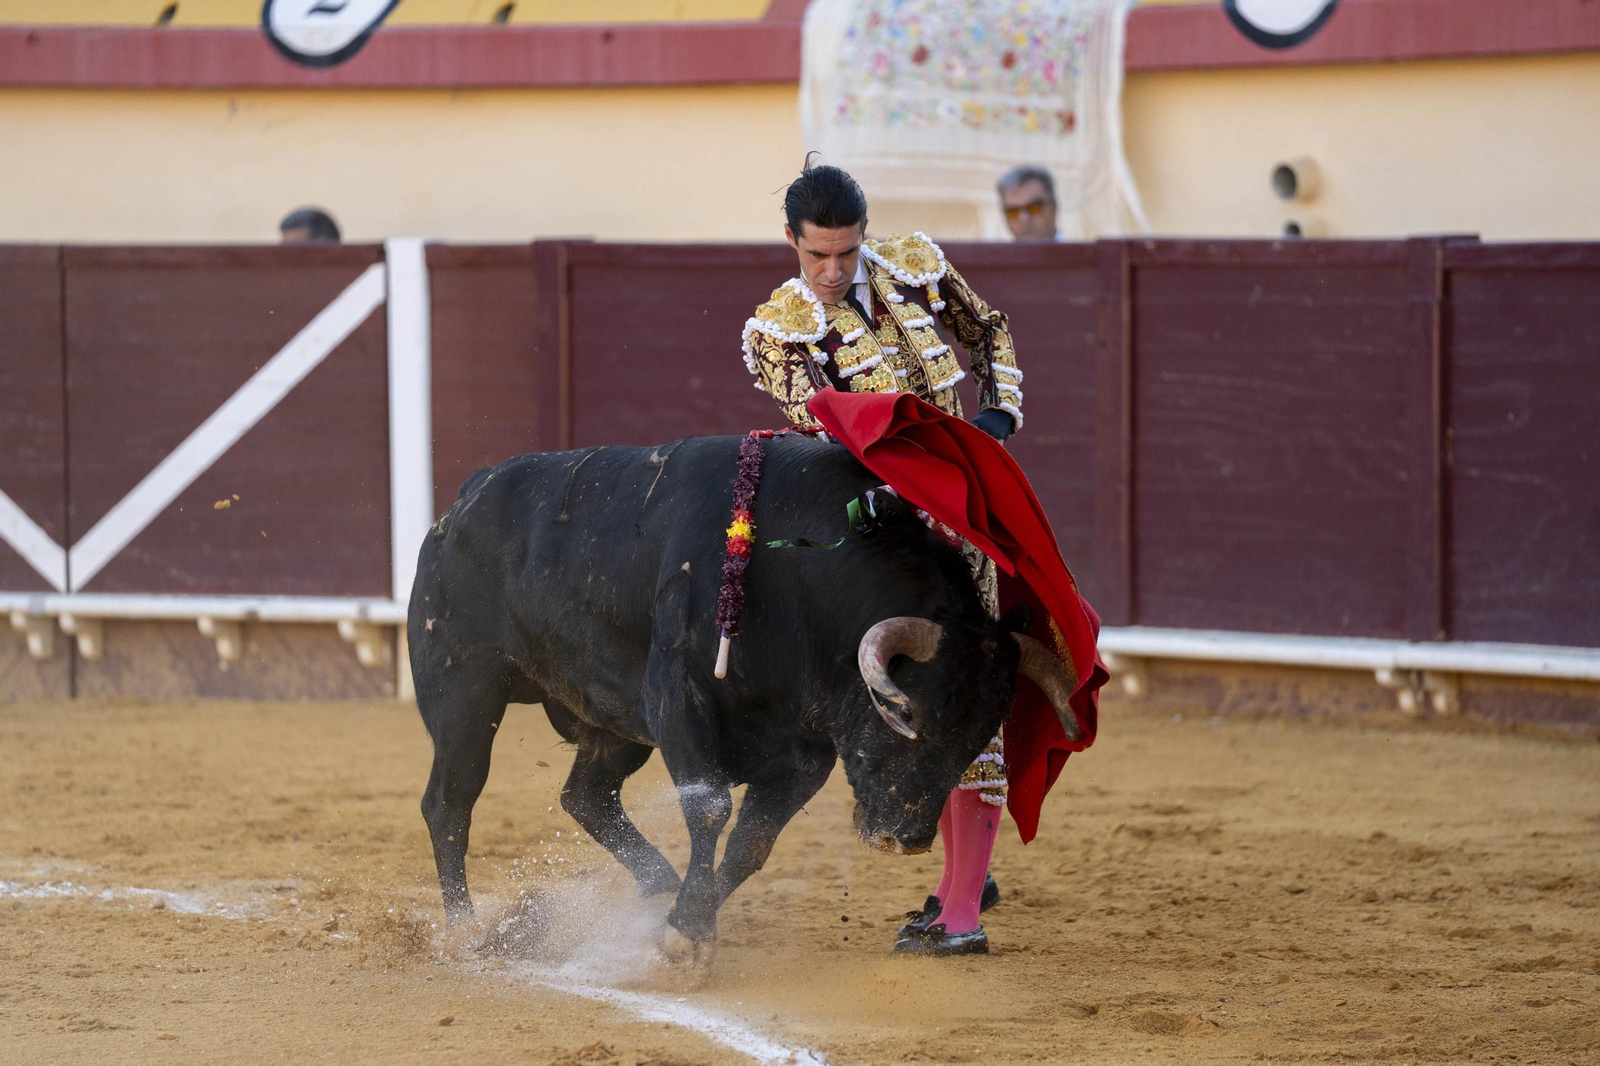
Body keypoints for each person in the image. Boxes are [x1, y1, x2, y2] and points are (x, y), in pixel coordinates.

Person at [741, 160, 1025, 956]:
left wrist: (998, 417)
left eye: (846, 253)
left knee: (969, 704)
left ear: (865, 235)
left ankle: (961, 911)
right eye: (816, 256)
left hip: (972, 520)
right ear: (791, 241)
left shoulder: (918, 265)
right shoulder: (777, 332)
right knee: (923, 708)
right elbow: (834, 429)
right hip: (891, 544)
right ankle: (962, 878)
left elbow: (990, 330)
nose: (832, 272)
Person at [997, 165, 1061, 242]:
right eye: (1013, 212)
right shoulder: (992, 254)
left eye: (1033, 208)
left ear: (1053, 207)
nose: (1024, 218)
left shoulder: (1078, 253)